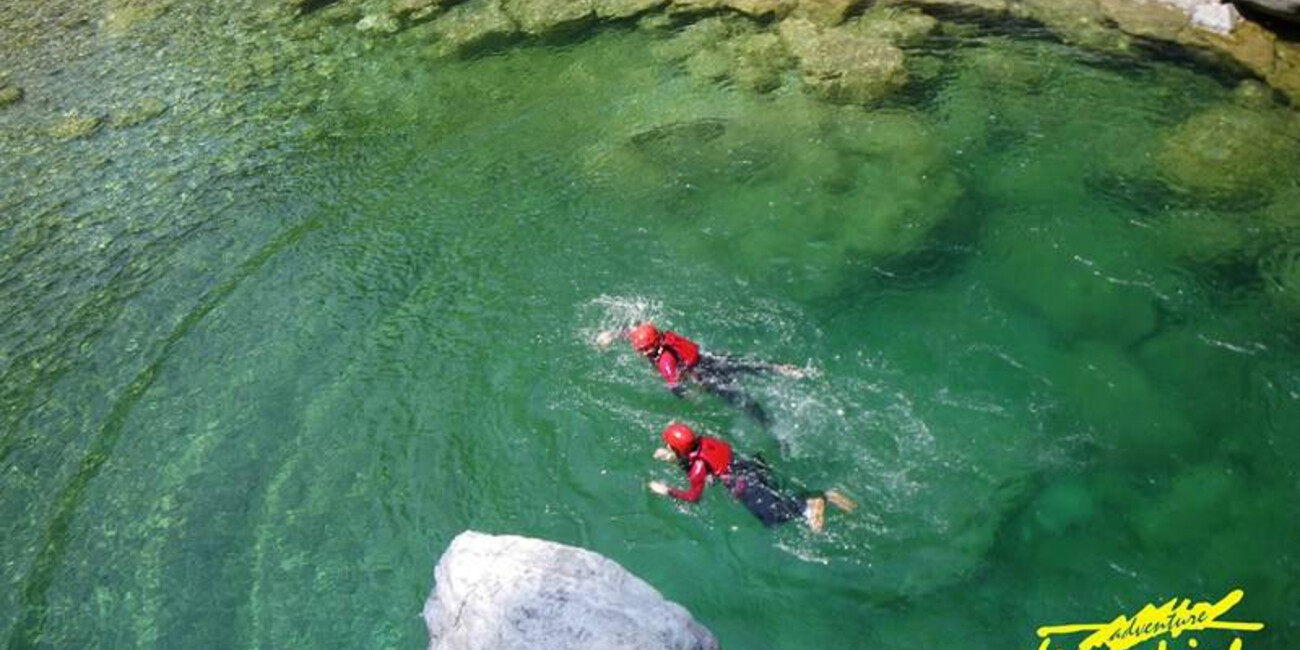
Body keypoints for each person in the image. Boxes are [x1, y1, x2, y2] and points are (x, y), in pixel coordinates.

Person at [647, 423, 856, 533]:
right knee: (778, 495)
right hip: (751, 464)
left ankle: (811, 504)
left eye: (669, 446)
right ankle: (824, 496)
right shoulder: (704, 441)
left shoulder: (697, 469)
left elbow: (694, 496)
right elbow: (702, 459)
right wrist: (674, 458)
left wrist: (667, 491)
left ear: (677, 449)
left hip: (743, 483)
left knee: (773, 517)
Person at [598, 322, 806, 425]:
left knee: (742, 400)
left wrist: (693, 397)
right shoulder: (658, 336)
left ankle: (771, 427)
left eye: (642, 349)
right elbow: (635, 332)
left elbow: (675, 387)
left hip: (704, 376)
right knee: (744, 364)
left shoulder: (665, 361)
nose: (638, 350)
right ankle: (782, 369)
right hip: (706, 358)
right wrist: (613, 335)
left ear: (651, 347)